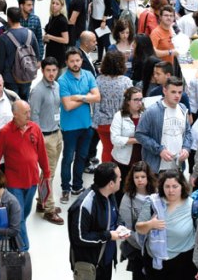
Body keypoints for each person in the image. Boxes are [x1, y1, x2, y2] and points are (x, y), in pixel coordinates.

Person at [137, 170, 198, 280]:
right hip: (155, 262)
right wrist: (150, 224)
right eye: (167, 186)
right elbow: (139, 227)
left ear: (182, 186)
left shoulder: (194, 207)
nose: (171, 190)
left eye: (175, 186)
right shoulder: (152, 203)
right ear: (161, 187)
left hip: (183, 263)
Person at [0, 100, 49, 250]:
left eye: (29, 111)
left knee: (23, 214)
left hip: (32, 181)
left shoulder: (35, 128)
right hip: (14, 183)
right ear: (15, 114)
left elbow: (42, 152)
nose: (29, 115)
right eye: (25, 113)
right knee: (20, 216)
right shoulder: (4, 132)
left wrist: (47, 173)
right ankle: (23, 249)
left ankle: (13, 236)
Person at [67, 163, 123, 280]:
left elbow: (115, 216)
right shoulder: (84, 205)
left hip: (106, 262)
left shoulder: (110, 195)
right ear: (111, 183)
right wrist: (108, 236)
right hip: (89, 266)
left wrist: (120, 227)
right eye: (119, 178)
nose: (121, 180)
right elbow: (79, 237)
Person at [59, 49, 101, 202]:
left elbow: (97, 97)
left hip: (86, 125)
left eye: (77, 60)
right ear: (67, 62)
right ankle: (65, 187)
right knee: (68, 158)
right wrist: (86, 97)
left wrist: (78, 97)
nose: (75, 64)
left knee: (81, 157)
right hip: (69, 127)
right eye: (72, 61)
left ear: (82, 60)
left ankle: (77, 186)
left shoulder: (88, 75)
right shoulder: (63, 80)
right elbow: (67, 106)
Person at [28, 57, 65, 224]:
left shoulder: (57, 86)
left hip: (57, 133)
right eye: (48, 70)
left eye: (54, 70)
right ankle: (49, 209)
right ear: (42, 71)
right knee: (48, 175)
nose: (51, 73)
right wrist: (37, 140)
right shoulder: (38, 91)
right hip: (44, 137)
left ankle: (42, 202)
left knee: (49, 173)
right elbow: (33, 116)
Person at [135, 76, 194, 173]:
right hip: (157, 167)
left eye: (180, 92)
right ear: (165, 91)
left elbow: (188, 132)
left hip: (177, 166)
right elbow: (140, 134)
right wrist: (159, 150)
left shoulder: (183, 108)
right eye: (173, 92)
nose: (177, 96)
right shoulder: (152, 111)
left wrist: (186, 148)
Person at [118, 161, 156, 280]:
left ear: (148, 178)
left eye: (143, 176)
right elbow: (126, 228)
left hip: (155, 249)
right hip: (137, 248)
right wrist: (142, 246)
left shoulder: (156, 195)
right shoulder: (127, 198)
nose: (140, 180)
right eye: (136, 177)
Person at [94, 52, 132, 163]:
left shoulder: (98, 81)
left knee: (106, 149)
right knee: (120, 150)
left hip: (103, 122)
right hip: (121, 122)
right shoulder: (126, 81)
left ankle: (106, 175)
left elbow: (95, 103)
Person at [0, 7, 38, 99]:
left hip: (10, 78)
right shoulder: (30, 34)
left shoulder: (4, 37)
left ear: (8, 19)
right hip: (27, 75)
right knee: (25, 101)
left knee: (13, 104)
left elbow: (1, 61)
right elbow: (37, 55)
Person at [43, 0, 70, 67]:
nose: (54, 5)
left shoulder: (62, 20)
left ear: (62, 6)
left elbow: (65, 40)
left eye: (57, 4)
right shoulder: (51, 17)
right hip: (50, 50)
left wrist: (50, 37)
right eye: (53, 3)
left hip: (58, 53)